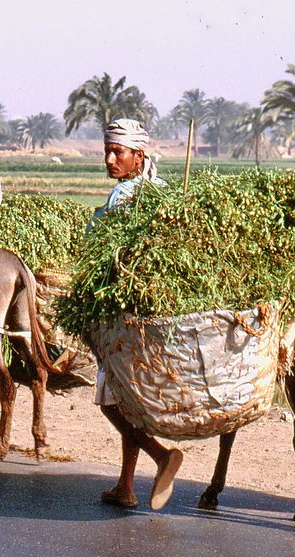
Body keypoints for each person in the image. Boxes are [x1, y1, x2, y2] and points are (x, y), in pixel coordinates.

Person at [89, 118, 182, 511]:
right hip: (153, 315)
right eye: (108, 152)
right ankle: (125, 486)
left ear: (138, 156)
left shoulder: (124, 196)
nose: (111, 159)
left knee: (112, 401)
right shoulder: (161, 191)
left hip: (123, 313)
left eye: (119, 152)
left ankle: (162, 456)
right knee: (129, 397)